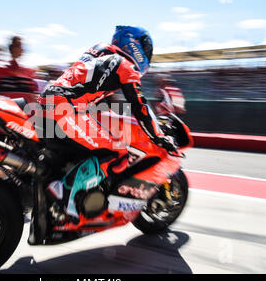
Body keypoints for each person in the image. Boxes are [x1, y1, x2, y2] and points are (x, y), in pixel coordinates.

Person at [37, 25, 177, 223]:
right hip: (64, 110)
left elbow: (91, 89)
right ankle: (64, 194)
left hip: (44, 105)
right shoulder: (126, 66)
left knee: (85, 149)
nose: (147, 54)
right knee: (118, 152)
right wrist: (159, 137)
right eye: (145, 49)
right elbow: (140, 107)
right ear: (135, 45)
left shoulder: (99, 50)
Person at [0, 35, 38, 101]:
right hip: (3, 108)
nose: (20, 49)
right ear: (10, 48)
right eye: (17, 45)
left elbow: (34, 95)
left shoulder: (29, 71)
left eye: (20, 46)